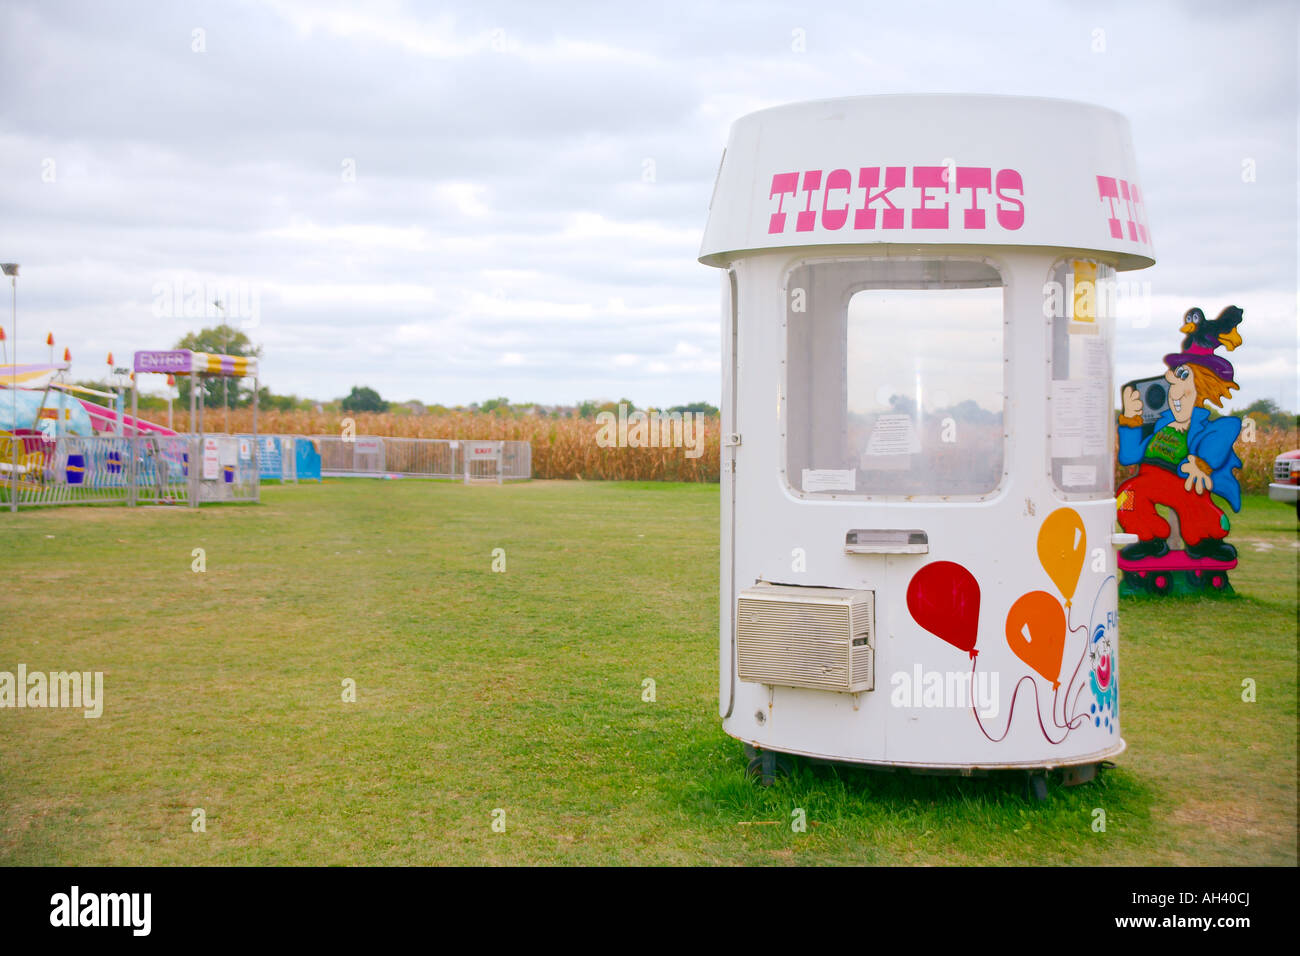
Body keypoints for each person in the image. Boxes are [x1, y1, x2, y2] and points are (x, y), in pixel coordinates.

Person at [1116, 344, 1242, 562]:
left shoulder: (1203, 425)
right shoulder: (1159, 424)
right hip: (1149, 479)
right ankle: (1150, 537)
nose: (1175, 390)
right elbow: (1129, 456)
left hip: (1183, 482)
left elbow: (1228, 428)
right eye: (1172, 382)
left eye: (1184, 379)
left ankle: (1208, 539)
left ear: (1201, 389)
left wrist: (1202, 463)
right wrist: (1130, 420)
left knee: (1196, 508)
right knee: (1128, 496)